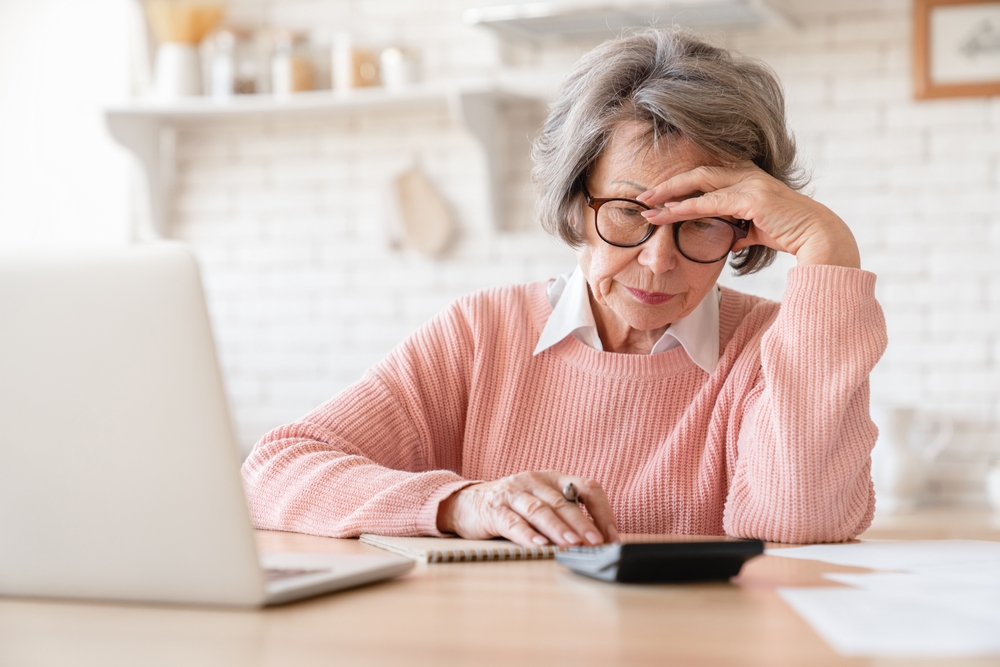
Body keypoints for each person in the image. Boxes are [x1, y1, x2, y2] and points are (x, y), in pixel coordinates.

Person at [241, 29, 886, 547]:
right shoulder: (482, 333)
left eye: (702, 222)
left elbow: (799, 520)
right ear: (577, 203)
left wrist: (828, 250)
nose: (659, 260)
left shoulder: (776, 346)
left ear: (745, 227)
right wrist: (462, 503)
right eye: (629, 213)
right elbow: (274, 471)